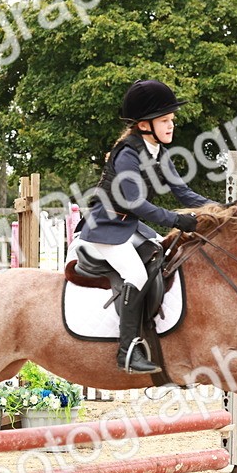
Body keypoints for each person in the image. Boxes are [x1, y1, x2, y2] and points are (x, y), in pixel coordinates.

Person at [70, 79, 212, 374]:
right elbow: (134, 202)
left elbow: (184, 194)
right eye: (165, 120)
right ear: (145, 124)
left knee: (162, 253)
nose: (171, 125)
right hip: (104, 227)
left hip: (127, 226)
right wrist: (175, 220)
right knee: (134, 272)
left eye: (171, 119)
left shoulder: (159, 152)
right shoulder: (128, 154)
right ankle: (128, 351)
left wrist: (221, 210)